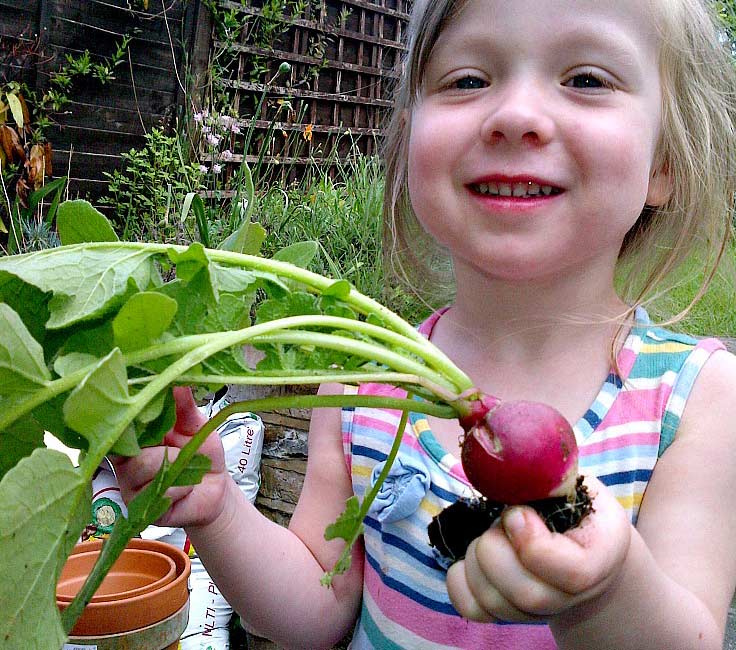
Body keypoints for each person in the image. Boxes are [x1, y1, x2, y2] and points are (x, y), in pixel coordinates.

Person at [113, 0, 736, 648]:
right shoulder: (363, 382)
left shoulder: (699, 401)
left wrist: (605, 593)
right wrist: (217, 511)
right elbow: (310, 615)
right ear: (411, 140)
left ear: (663, 161)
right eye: (468, 80)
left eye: (585, 80)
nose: (516, 115)